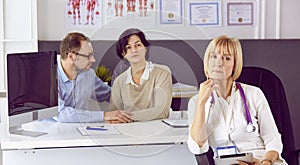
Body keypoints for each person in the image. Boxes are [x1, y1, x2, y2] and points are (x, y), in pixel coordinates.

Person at [187, 35, 286, 165]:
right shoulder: (196, 102)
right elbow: (197, 146)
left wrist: (265, 162)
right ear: (207, 60)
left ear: (234, 65)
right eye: (214, 56)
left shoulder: (254, 93)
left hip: (262, 159)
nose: (219, 63)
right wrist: (201, 103)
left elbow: (273, 139)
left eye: (226, 58)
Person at [58, 32, 132, 123]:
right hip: (51, 133)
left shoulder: (88, 74)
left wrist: (136, 100)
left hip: (81, 129)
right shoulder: (47, 77)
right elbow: (61, 114)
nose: (93, 60)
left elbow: (109, 94)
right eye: (88, 56)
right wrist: (105, 116)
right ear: (71, 56)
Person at [109, 28, 172, 122]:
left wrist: (127, 117)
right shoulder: (119, 81)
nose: (134, 50)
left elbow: (162, 111)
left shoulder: (162, 72)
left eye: (138, 45)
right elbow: (114, 114)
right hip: (128, 130)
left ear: (145, 48)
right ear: (123, 54)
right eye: (128, 47)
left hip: (156, 130)